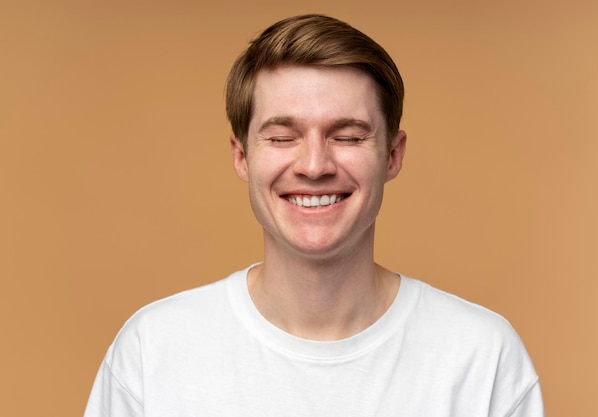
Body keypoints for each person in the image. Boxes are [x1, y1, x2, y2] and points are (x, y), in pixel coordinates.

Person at [84, 14, 544, 417]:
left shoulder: (482, 358)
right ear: (242, 156)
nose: (314, 165)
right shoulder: (154, 350)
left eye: (347, 136)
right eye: (283, 136)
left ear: (393, 156)